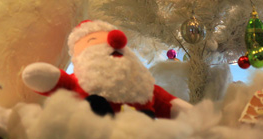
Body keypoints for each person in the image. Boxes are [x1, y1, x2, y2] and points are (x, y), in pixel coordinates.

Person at [21, 19, 192, 119]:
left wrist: (193, 116)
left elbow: (168, 104)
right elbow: (53, 80)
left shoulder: (144, 86)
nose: (116, 42)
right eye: (95, 39)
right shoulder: (78, 81)